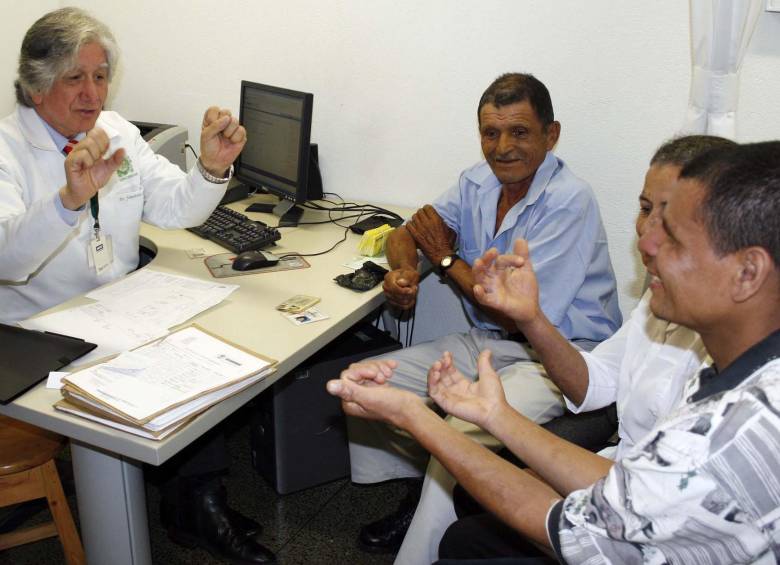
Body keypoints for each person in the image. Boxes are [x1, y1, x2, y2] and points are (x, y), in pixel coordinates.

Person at [328, 140, 780, 564]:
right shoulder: (738, 371)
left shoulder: (727, 439)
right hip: (625, 492)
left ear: (747, 273)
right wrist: (497, 408)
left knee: (467, 537)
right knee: (467, 532)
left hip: (611, 530)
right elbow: (628, 468)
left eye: (675, 236)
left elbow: (574, 529)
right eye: (647, 212)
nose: (645, 242)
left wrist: (417, 417)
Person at [0, 8, 274, 564]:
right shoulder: (5, 150)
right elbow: (7, 260)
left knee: (205, 354)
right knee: (161, 371)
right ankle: (191, 503)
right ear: (36, 83)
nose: (92, 92)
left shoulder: (117, 131)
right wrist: (67, 201)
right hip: (37, 333)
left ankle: (194, 502)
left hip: (117, 311)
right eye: (75, 77)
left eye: (100, 75)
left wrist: (213, 171)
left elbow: (173, 207)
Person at [349, 72, 623, 553]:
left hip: (559, 358)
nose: (502, 147)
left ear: (550, 135)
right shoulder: (477, 181)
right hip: (488, 345)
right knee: (363, 382)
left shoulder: (569, 201)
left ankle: (425, 548)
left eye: (519, 132)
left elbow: (518, 315)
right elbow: (407, 233)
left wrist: (447, 259)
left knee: (459, 433)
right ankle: (425, 494)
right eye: (490, 133)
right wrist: (403, 273)